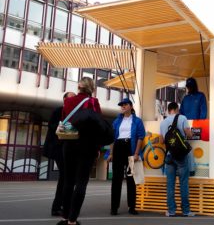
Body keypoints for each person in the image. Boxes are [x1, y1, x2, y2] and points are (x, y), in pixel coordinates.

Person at [57, 77, 102, 225]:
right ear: (91, 88)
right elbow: (98, 126)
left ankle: (64, 217)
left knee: (68, 182)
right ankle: (72, 220)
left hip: (69, 144)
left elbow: (63, 121)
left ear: (79, 87)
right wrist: (97, 148)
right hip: (87, 146)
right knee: (81, 183)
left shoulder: (68, 102)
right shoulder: (93, 102)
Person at [108, 98, 145, 216]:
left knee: (131, 179)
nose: (122, 106)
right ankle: (114, 207)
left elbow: (140, 137)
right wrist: (111, 153)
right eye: (121, 105)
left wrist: (136, 153)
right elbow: (112, 138)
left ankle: (132, 207)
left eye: (125, 104)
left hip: (130, 148)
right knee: (116, 179)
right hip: (118, 148)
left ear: (130, 106)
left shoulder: (138, 121)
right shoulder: (116, 121)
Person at [43, 92, 75, 217]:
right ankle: (58, 207)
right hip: (58, 149)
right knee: (66, 177)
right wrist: (66, 127)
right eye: (72, 98)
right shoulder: (58, 111)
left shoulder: (73, 113)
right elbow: (52, 127)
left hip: (68, 149)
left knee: (67, 178)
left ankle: (62, 206)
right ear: (65, 99)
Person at [159, 102, 194, 217]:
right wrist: (189, 133)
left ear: (169, 110)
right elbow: (189, 135)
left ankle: (171, 211)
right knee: (183, 183)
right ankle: (186, 211)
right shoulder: (182, 118)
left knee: (170, 184)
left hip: (169, 155)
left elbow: (161, 141)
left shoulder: (163, 122)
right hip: (181, 156)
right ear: (177, 109)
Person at [180, 77, 207, 176]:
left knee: (194, 148)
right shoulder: (185, 98)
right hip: (186, 127)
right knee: (187, 148)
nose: (189, 88)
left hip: (197, 127)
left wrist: (200, 124)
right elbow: (181, 113)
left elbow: (203, 111)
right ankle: (188, 169)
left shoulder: (201, 96)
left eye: (191, 86)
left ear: (195, 86)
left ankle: (192, 170)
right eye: (188, 86)